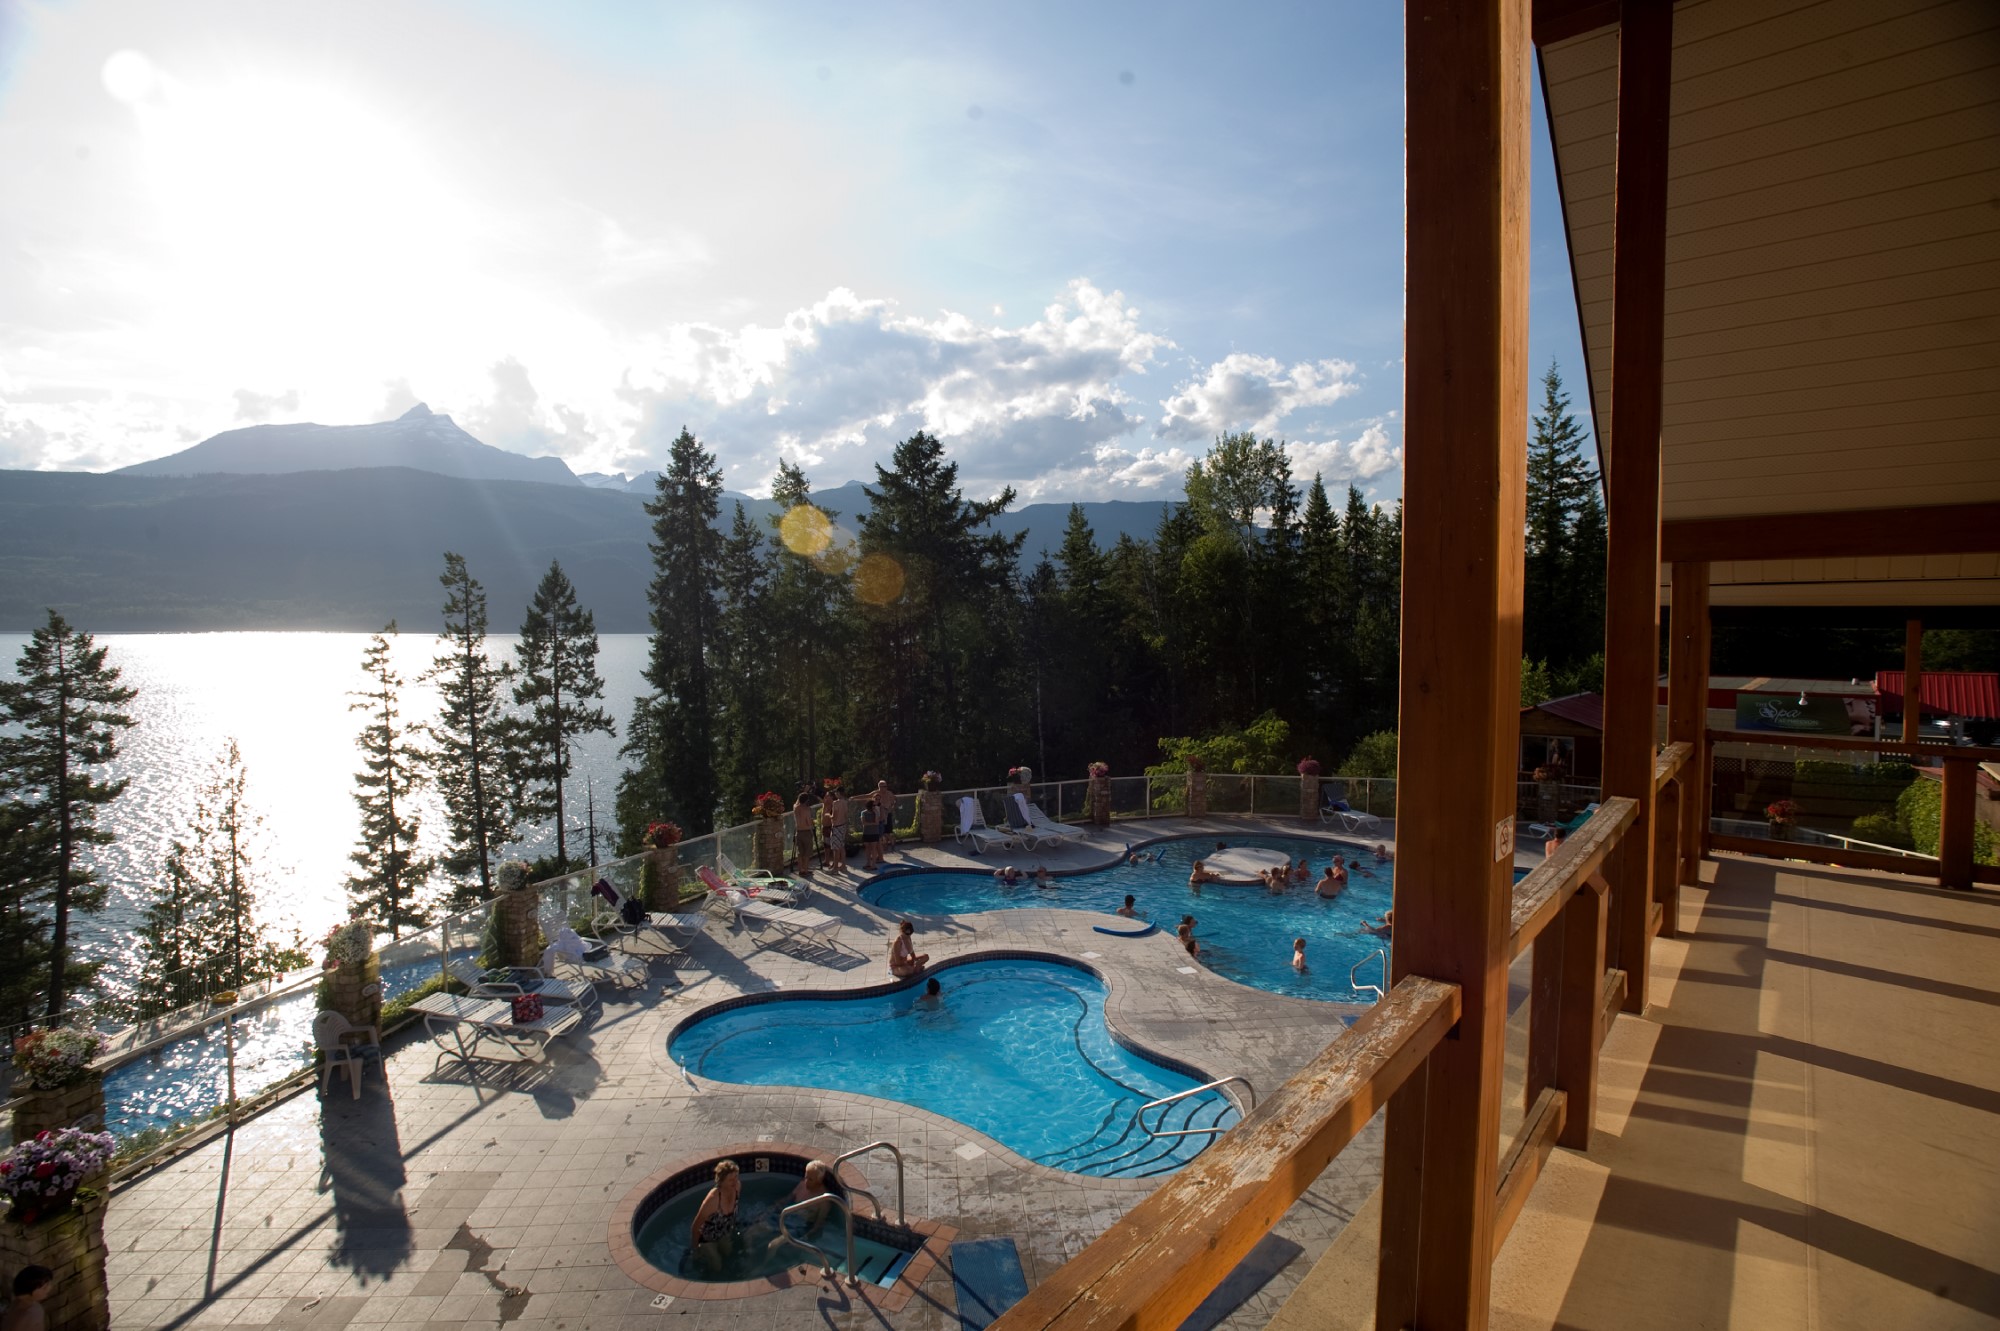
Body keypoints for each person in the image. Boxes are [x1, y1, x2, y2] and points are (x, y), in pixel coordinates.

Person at [688, 1160, 743, 1273]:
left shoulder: (737, 1187)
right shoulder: (713, 1199)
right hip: (707, 1238)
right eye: (730, 1180)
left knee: (729, 1255)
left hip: (723, 1232)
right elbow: (695, 1227)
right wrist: (695, 1250)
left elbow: (732, 1215)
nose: (735, 1181)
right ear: (721, 1181)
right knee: (717, 1264)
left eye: (736, 1177)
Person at [2, 1267, 53, 1331]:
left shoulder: (16, 1302)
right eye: (44, 1287)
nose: (49, 1289)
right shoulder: (33, 1313)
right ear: (31, 1288)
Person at [793, 790, 818, 877]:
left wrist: (802, 793)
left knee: (800, 853)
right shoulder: (806, 809)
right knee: (807, 853)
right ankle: (806, 870)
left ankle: (801, 870)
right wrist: (812, 827)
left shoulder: (795, 808)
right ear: (807, 800)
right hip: (806, 831)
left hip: (798, 832)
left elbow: (797, 802)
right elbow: (808, 821)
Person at [874, 779, 899, 851]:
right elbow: (867, 796)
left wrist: (894, 806)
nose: (883, 788)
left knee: (887, 831)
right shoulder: (876, 793)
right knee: (883, 831)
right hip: (880, 815)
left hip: (888, 814)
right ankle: (888, 843)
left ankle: (890, 842)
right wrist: (854, 798)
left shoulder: (889, 793)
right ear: (878, 787)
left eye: (884, 786)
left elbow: (895, 799)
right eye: (881, 786)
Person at [859, 797, 882, 870]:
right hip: (866, 832)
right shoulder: (863, 813)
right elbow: (864, 823)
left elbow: (877, 822)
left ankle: (873, 864)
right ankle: (868, 862)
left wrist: (875, 812)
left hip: (874, 833)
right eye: (873, 805)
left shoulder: (875, 812)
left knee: (873, 848)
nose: (875, 807)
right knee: (867, 848)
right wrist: (872, 823)